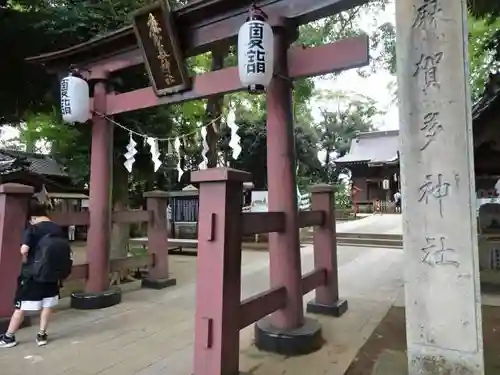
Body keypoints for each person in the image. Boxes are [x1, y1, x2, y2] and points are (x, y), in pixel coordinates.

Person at [0, 200, 68, 348]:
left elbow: (24, 250)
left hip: (33, 274)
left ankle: (8, 337)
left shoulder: (33, 229)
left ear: (32, 217)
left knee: (21, 306)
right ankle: (42, 335)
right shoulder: (58, 229)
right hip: (52, 273)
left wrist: (25, 261)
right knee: (47, 305)